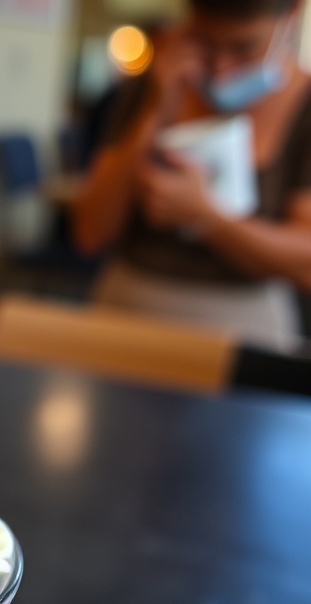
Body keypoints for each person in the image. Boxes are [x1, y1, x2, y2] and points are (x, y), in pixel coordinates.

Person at [73, 0, 311, 352]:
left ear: (290, 16)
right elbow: (90, 232)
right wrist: (157, 105)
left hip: (244, 333)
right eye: (205, 41)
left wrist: (208, 218)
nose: (221, 68)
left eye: (243, 47)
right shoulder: (149, 86)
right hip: (125, 315)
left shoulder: (304, 109)